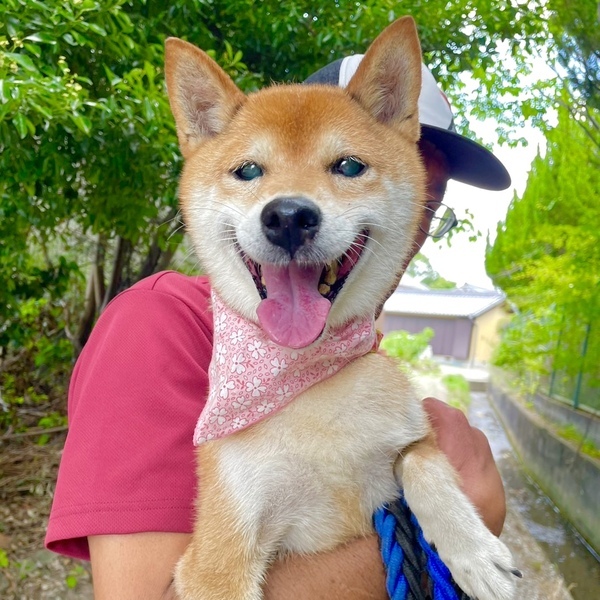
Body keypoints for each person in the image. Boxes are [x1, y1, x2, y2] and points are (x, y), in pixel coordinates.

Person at [45, 53, 511, 600]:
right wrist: (449, 527)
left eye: (351, 169)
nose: (296, 206)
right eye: (250, 170)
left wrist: (427, 481)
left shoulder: (358, 351)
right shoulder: (157, 324)